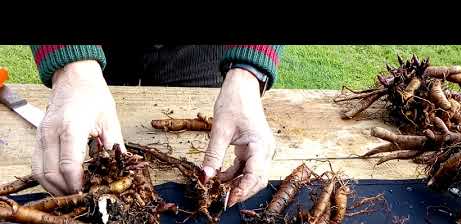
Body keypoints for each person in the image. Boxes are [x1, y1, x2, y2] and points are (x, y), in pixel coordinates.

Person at [30, 45, 284, 208]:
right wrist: (71, 66)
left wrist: (248, 73)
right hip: (95, 51)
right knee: (83, 136)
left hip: (202, 52)